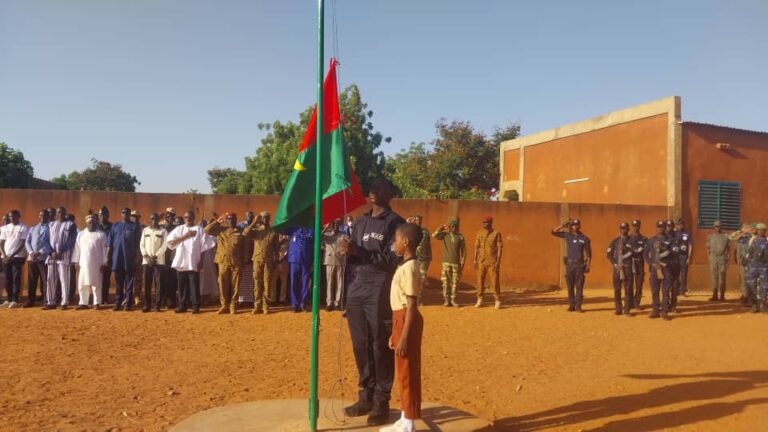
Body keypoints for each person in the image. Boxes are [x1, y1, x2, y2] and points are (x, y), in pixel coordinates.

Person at [339, 177, 404, 426]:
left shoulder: (394, 223)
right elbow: (354, 259)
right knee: (360, 344)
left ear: (390, 193)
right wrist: (348, 251)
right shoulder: (360, 221)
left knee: (379, 344)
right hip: (357, 288)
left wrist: (360, 252)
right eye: (372, 187)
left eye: (380, 187)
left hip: (380, 287)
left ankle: (381, 402)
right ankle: (365, 396)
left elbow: (391, 260)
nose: (374, 190)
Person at [381, 223, 424, 432]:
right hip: (401, 319)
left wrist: (404, 337)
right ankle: (405, 415)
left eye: (396, 239)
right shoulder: (405, 266)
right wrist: (395, 334)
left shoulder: (410, 268)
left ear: (406, 242)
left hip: (407, 318)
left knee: (408, 370)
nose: (394, 244)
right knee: (403, 370)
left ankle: (409, 422)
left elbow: (411, 304)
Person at [166, 211, 214, 314]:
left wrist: (201, 260)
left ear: (193, 218)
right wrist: (185, 236)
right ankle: (182, 305)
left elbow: (205, 246)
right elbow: (170, 243)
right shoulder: (179, 229)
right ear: (184, 218)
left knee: (194, 285)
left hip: (193, 262)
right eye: (186, 217)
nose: (188, 219)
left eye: (190, 217)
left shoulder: (199, 229)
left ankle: (195, 306)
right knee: (182, 285)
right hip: (181, 262)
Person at [204, 212, 246, 314]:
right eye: (229, 219)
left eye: (233, 219)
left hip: (237, 261)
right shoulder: (220, 230)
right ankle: (224, 305)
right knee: (223, 284)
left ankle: (233, 306)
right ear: (226, 220)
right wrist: (217, 222)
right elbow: (206, 230)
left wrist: (244, 259)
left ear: (236, 220)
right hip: (223, 262)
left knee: (235, 285)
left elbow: (246, 246)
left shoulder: (241, 231)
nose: (231, 220)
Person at [550, 219, 591, 312]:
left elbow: (589, 254)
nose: (575, 227)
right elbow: (553, 232)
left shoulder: (584, 238)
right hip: (570, 264)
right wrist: (562, 225)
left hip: (580, 265)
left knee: (579, 286)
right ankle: (571, 305)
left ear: (579, 226)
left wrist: (588, 266)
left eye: (576, 225)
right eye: (573, 225)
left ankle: (578, 306)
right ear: (571, 226)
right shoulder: (567, 235)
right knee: (570, 286)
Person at [244, 211, 279, 315]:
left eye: (267, 218)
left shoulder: (273, 232)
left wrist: (276, 260)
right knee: (257, 283)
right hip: (257, 259)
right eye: (263, 218)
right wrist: (254, 223)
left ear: (269, 219)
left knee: (267, 284)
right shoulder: (256, 230)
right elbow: (245, 233)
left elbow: (276, 248)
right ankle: (257, 306)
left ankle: (265, 306)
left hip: (268, 261)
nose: (265, 220)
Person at [71, 215, 108, 309]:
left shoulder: (101, 234)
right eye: (89, 223)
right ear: (86, 223)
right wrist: (76, 261)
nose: (91, 224)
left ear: (96, 223)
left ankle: (96, 303)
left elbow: (105, 250)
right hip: (83, 264)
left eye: (93, 222)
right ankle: (83, 302)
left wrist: (104, 263)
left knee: (97, 283)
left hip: (97, 264)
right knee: (82, 283)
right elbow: (77, 249)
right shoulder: (81, 234)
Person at [45, 207, 78, 310]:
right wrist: (51, 252)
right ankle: (51, 302)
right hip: (52, 256)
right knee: (50, 279)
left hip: (64, 256)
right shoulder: (50, 225)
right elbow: (45, 240)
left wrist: (60, 251)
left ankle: (64, 302)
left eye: (63, 212)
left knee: (64, 280)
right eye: (59, 212)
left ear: (65, 213)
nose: (61, 214)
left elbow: (71, 240)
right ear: (56, 213)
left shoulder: (71, 225)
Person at [109, 208, 141, 311]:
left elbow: (138, 245)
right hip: (117, 259)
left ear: (130, 214)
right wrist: (108, 257)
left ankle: (127, 303)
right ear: (121, 214)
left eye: (127, 213)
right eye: (123, 212)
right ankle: (117, 303)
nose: (125, 214)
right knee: (118, 284)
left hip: (129, 260)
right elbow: (109, 244)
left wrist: (136, 259)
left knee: (129, 283)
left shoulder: (134, 227)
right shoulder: (115, 226)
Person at [432, 218, 465, 307]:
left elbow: (463, 251)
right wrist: (442, 227)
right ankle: (446, 300)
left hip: (456, 264)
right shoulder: (444, 235)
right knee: (445, 282)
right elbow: (434, 235)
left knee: (455, 283)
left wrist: (462, 264)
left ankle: (453, 300)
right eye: (451, 226)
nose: (453, 228)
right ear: (449, 227)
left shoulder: (460, 237)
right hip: (446, 263)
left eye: (455, 226)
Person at [0, 210, 29, 308]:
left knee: (16, 278)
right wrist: (4, 254)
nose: (12, 218)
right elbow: (2, 242)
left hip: (17, 257)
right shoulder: (5, 228)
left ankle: (15, 300)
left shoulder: (23, 227)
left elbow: (22, 243)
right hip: (5, 257)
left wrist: (11, 255)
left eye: (14, 216)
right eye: (10, 216)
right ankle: (9, 299)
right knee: (8, 279)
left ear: (18, 216)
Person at [139, 212, 168, 312]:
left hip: (158, 261)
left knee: (158, 284)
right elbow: (141, 244)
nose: (154, 221)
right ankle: (146, 305)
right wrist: (146, 256)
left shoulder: (163, 231)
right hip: (146, 261)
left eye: (156, 219)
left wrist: (155, 256)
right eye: (152, 219)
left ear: (158, 220)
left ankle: (157, 305)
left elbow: (165, 245)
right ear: (150, 219)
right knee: (147, 284)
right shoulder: (145, 230)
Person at [645, 220, 673, 320]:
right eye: (659, 227)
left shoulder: (670, 240)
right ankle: (655, 310)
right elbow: (645, 254)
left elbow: (673, 253)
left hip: (665, 268)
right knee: (655, 290)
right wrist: (651, 263)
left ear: (665, 228)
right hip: (654, 269)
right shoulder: (651, 240)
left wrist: (664, 249)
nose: (660, 229)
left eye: (662, 227)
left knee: (665, 291)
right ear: (656, 228)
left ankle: (664, 312)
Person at [474, 216, 504, 309]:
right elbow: (476, 247)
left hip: (492, 261)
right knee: (480, 281)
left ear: (490, 223)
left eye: (486, 222)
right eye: (483, 222)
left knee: (494, 281)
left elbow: (499, 248)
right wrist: (474, 259)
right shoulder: (479, 233)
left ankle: (497, 300)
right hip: (481, 260)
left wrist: (498, 262)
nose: (484, 224)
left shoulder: (496, 233)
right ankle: (480, 299)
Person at [24, 209, 52, 307]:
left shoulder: (51, 228)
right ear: (39, 216)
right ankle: (30, 301)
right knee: (31, 280)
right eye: (41, 215)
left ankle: (46, 300)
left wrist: (39, 252)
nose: (42, 217)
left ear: (48, 217)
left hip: (43, 258)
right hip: (32, 259)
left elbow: (51, 243)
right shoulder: (33, 227)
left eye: (44, 215)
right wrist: (31, 252)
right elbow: (27, 241)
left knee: (45, 280)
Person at [606, 222, 633, 316]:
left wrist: (624, 248)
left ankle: (627, 309)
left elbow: (635, 252)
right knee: (617, 289)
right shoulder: (615, 241)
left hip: (627, 268)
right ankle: (618, 308)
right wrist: (615, 264)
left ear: (628, 229)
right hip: (617, 268)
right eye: (621, 228)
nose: (623, 230)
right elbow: (609, 254)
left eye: (625, 228)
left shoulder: (631, 240)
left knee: (628, 289)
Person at [286, 226, 314, 312]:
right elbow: (283, 228)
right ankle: (294, 305)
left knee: (305, 283)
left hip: (306, 260)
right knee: (293, 282)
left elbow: (316, 241)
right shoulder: (293, 228)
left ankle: (303, 304)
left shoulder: (311, 230)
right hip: (294, 259)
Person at [407, 215, 431, 305]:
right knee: (411, 279)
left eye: (420, 220)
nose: (418, 221)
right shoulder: (410, 230)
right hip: (413, 258)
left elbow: (428, 245)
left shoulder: (425, 232)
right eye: (416, 219)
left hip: (424, 259)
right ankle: (411, 298)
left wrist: (429, 256)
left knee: (421, 279)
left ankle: (418, 299)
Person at [322, 218, 345, 311]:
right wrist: (325, 228)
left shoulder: (343, 235)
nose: (336, 226)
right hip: (329, 260)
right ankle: (329, 303)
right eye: (334, 224)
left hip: (340, 261)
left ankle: (337, 303)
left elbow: (346, 247)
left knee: (340, 283)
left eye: (338, 224)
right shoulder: (327, 235)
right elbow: (318, 237)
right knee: (329, 283)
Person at [729, 223, 754, 305]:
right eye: (745, 227)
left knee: (750, 279)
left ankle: (750, 296)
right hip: (742, 261)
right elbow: (732, 238)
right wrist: (742, 232)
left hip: (751, 262)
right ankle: (744, 295)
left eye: (748, 227)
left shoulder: (752, 237)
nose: (747, 229)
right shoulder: (740, 237)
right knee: (743, 279)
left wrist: (750, 232)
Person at [745, 223, 768, 313]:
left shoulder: (767, 240)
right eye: (759, 230)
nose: (761, 232)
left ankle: (763, 305)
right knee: (752, 285)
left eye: (763, 230)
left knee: (764, 286)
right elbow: (749, 253)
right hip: (753, 266)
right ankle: (754, 305)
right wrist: (747, 263)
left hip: (764, 267)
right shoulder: (752, 240)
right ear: (757, 231)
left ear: (765, 231)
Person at [706, 220, 730, 302]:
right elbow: (708, 249)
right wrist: (709, 258)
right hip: (713, 258)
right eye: (716, 226)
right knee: (714, 277)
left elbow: (728, 249)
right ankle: (714, 294)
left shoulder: (725, 237)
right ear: (714, 227)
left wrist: (727, 259)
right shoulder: (710, 237)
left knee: (722, 277)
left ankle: (722, 295)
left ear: (721, 227)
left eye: (719, 226)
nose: (717, 228)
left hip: (722, 258)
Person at [162, 208, 179, 308]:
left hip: (173, 256)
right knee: (161, 280)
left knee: (172, 280)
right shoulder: (161, 227)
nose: (170, 217)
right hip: (162, 257)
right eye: (168, 216)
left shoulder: (177, 228)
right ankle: (162, 300)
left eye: (172, 216)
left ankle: (171, 301)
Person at [664, 220, 682, 313]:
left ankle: (673, 305)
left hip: (675, 264)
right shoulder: (662, 236)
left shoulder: (678, 236)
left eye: (671, 225)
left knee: (675, 286)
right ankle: (665, 305)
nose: (669, 227)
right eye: (667, 225)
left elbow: (683, 248)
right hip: (666, 265)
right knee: (666, 286)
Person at [628, 219, 647, 309]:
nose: (635, 228)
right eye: (634, 226)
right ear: (632, 227)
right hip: (630, 263)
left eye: (637, 226)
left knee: (639, 285)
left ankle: (636, 303)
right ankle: (630, 303)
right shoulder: (628, 238)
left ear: (640, 227)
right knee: (629, 284)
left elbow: (646, 252)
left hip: (639, 263)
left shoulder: (644, 239)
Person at [674, 219, 693, 299]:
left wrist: (689, 257)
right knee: (676, 274)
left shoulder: (687, 233)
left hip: (684, 257)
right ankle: (676, 290)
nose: (680, 226)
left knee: (684, 274)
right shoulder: (674, 233)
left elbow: (690, 245)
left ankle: (682, 291)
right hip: (675, 256)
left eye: (681, 224)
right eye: (678, 224)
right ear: (676, 225)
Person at [97, 206, 113, 304]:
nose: (101, 216)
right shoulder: (95, 227)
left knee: (106, 278)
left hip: (109, 256)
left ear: (107, 215)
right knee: (97, 278)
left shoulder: (112, 227)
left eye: (103, 214)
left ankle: (105, 298)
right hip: (97, 256)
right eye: (99, 214)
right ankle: (97, 298)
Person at [130, 210, 145, 307]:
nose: (134, 218)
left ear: (139, 217)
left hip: (139, 256)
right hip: (129, 257)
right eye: (133, 216)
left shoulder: (143, 229)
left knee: (138, 278)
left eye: (137, 216)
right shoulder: (128, 227)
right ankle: (128, 297)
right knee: (128, 278)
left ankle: (137, 296)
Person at [273, 233, 290, 305]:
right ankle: (272, 299)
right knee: (272, 282)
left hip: (284, 262)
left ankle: (282, 300)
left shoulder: (288, 238)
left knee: (284, 283)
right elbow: (272, 248)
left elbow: (289, 250)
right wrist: (280, 241)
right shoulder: (274, 236)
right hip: (275, 263)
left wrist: (283, 258)